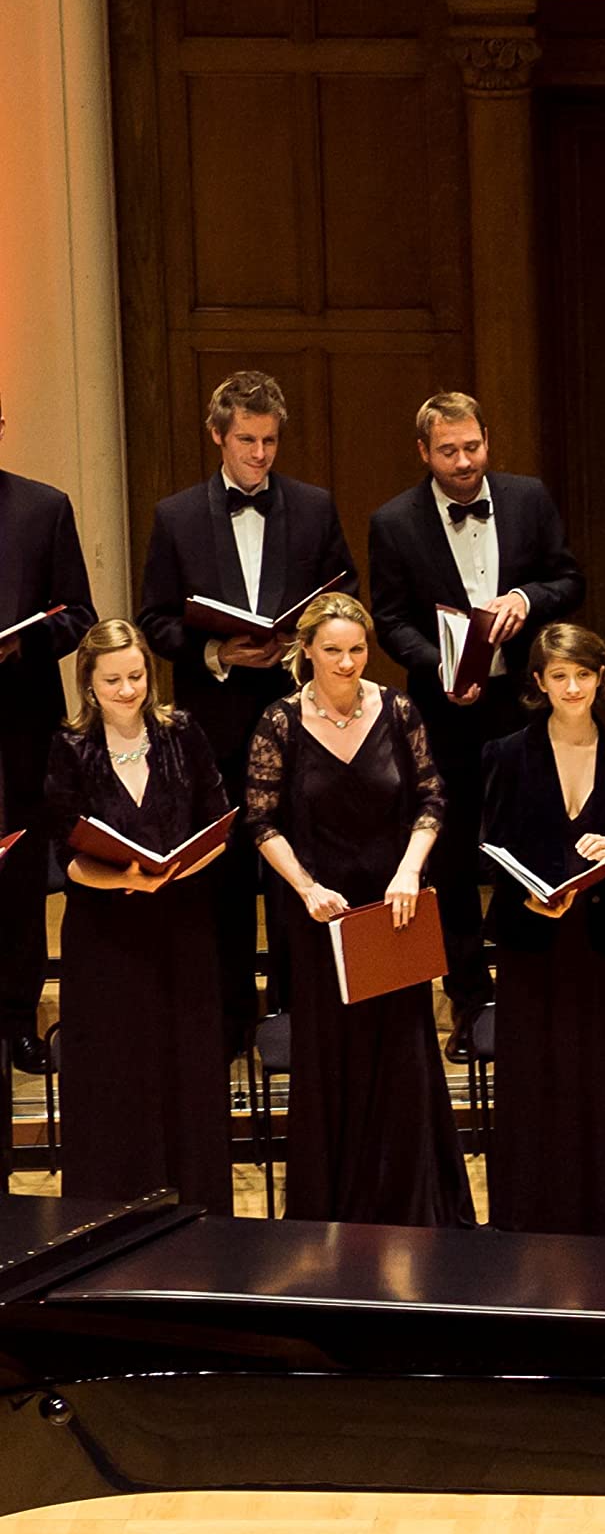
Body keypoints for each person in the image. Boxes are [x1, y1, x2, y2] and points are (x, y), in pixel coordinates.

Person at [139, 370, 356, 1053]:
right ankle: (231, 1016)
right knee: (228, 877)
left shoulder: (315, 508)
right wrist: (217, 653)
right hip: (218, 723)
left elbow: (343, 593)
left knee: (301, 870)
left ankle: (301, 1014)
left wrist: (301, 638)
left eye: (268, 441)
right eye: (246, 441)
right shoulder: (176, 516)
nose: (259, 454)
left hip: (300, 717)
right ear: (217, 437)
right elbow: (155, 619)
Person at [367, 391, 587, 1057]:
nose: (464, 463)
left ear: (487, 439)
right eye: (448, 451)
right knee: (454, 857)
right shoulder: (394, 521)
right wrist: (441, 667)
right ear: (423, 452)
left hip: (521, 705)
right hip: (444, 711)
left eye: (473, 447)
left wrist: (527, 597)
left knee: (532, 842)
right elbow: (392, 618)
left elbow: (568, 580)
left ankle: (535, 984)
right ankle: (469, 999)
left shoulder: (527, 498)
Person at [244, 592, 474, 1228]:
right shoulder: (280, 722)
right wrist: (307, 887)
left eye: (356, 650)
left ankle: (410, 1206)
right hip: (321, 914)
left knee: (403, 1051)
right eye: (333, 651)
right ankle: (334, 1212)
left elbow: (432, 798)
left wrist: (408, 870)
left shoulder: (398, 709)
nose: (346, 663)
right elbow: (261, 821)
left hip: (392, 908)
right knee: (330, 1058)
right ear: (306, 651)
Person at [480, 623, 605, 1238]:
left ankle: (604, 1212)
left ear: (601, 680)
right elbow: (485, 847)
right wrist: (526, 892)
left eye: (583, 675)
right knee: (528, 1073)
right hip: (529, 936)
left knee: (598, 1075)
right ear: (538, 681)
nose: (572, 687)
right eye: (559, 676)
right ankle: (521, 1213)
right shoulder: (505, 753)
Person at [42, 620, 231, 1213]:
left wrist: (178, 869)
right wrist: (121, 876)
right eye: (113, 680)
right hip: (106, 938)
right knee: (115, 1075)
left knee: (187, 1067)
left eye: (137, 675)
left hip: (181, 927)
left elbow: (220, 827)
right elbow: (65, 857)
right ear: (89, 686)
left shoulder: (182, 732)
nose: (128, 690)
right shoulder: (70, 747)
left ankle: (195, 1209)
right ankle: (111, 1212)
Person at [0, 391, 98, 1074]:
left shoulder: (42, 508)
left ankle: (17, 1023)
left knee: (19, 887)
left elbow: (78, 614)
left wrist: (21, 647)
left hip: (19, 730)